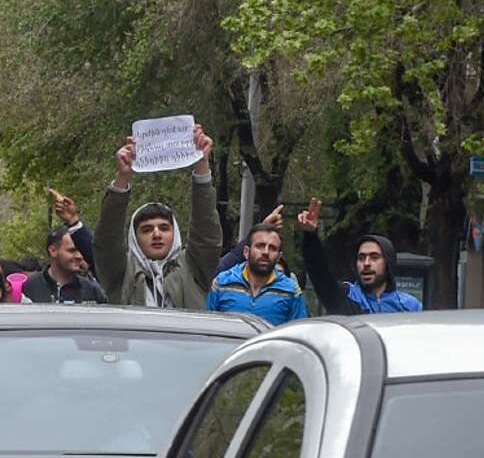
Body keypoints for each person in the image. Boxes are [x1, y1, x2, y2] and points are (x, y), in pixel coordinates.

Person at [91, 125, 224, 308]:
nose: (156, 234)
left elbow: (206, 231)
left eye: (164, 228)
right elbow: (106, 238)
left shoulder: (193, 267)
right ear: (135, 238)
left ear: (175, 233)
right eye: (146, 229)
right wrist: (122, 178)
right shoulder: (119, 272)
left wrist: (201, 164)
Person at [297, 198, 422, 314]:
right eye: (361, 258)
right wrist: (310, 235)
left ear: (388, 262)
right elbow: (320, 273)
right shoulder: (345, 297)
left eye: (374, 257)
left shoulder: (410, 306)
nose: (366, 263)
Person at [207, 221, 308, 325]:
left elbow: (298, 332)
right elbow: (209, 329)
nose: (265, 252)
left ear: (279, 257)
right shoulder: (222, 283)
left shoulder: (291, 290)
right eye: (260, 246)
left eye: (272, 248)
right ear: (246, 252)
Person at [22, 225, 108, 304]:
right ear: (53, 251)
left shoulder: (92, 290)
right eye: (72, 250)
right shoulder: (28, 287)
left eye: (81, 251)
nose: (79, 256)